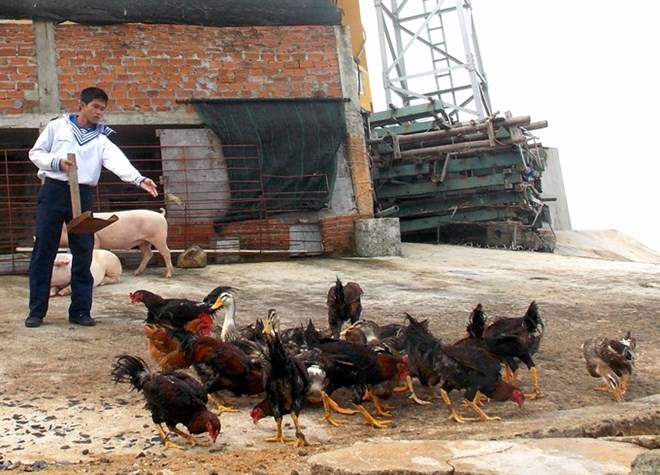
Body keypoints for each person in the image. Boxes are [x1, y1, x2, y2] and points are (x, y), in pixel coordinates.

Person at [25, 86, 159, 328]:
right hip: (54, 190)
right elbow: (36, 153)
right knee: (44, 249)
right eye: (95, 107)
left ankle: (80, 310)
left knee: (84, 253)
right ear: (81, 105)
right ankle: (36, 311)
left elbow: (118, 161)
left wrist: (139, 179)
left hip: (84, 195)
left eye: (103, 109)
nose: (99, 113)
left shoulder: (100, 138)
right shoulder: (58, 126)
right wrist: (57, 163)